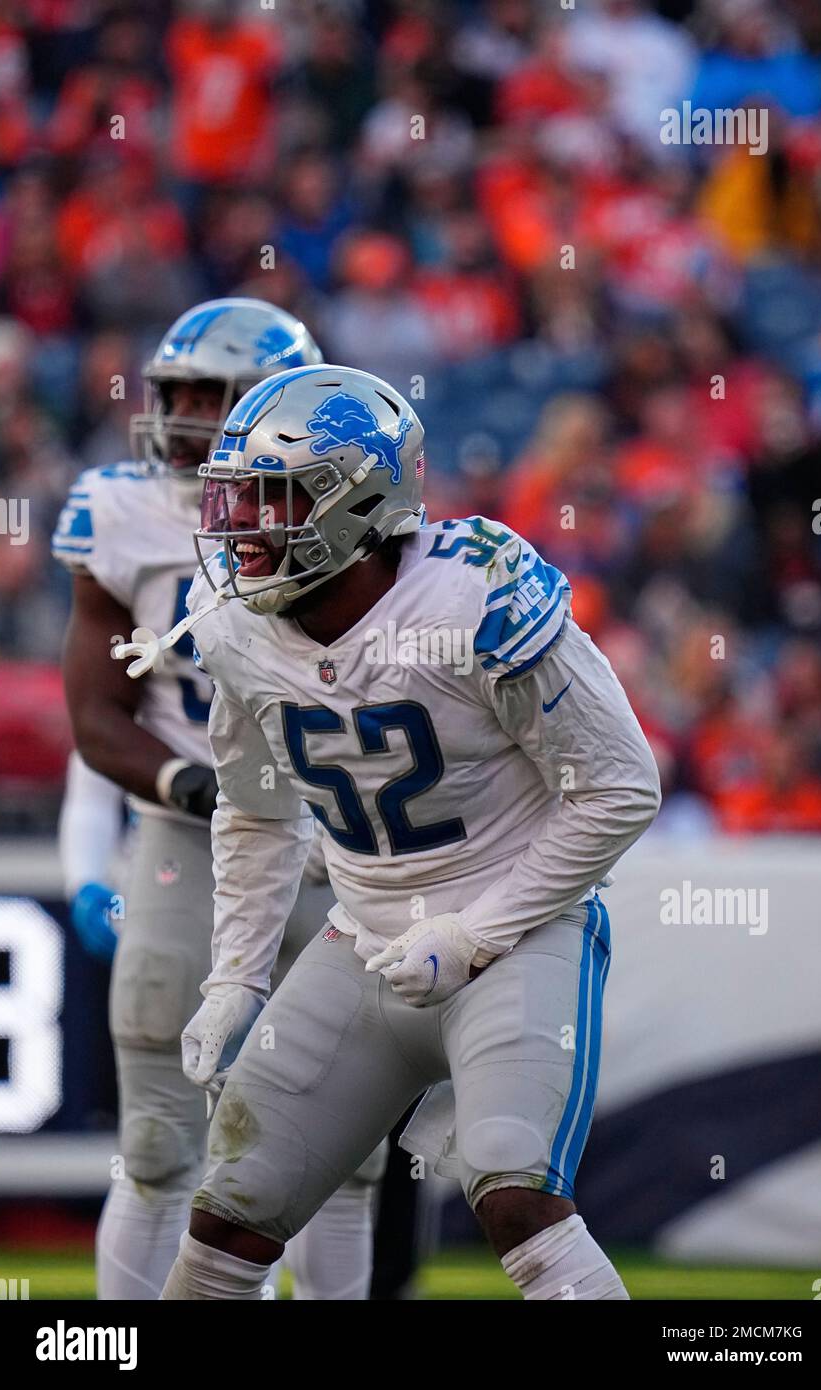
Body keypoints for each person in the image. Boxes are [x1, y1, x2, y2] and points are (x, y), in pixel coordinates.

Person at [141, 362, 660, 1301]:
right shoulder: (234, 632)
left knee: (516, 1194)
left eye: (275, 499)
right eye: (238, 499)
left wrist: (475, 934)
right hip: (364, 939)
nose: (241, 529)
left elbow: (619, 788)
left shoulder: (475, 595)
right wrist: (234, 982)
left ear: (358, 502)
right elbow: (258, 814)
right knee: (229, 1212)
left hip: (518, 935)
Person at [53, 302, 384, 1300]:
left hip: (333, 835)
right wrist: (192, 782)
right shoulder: (121, 512)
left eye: (216, 394)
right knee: (159, 1138)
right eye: (179, 393)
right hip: (187, 837)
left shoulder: (350, 508)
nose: (190, 415)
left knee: (342, 1149)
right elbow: (97, 714)